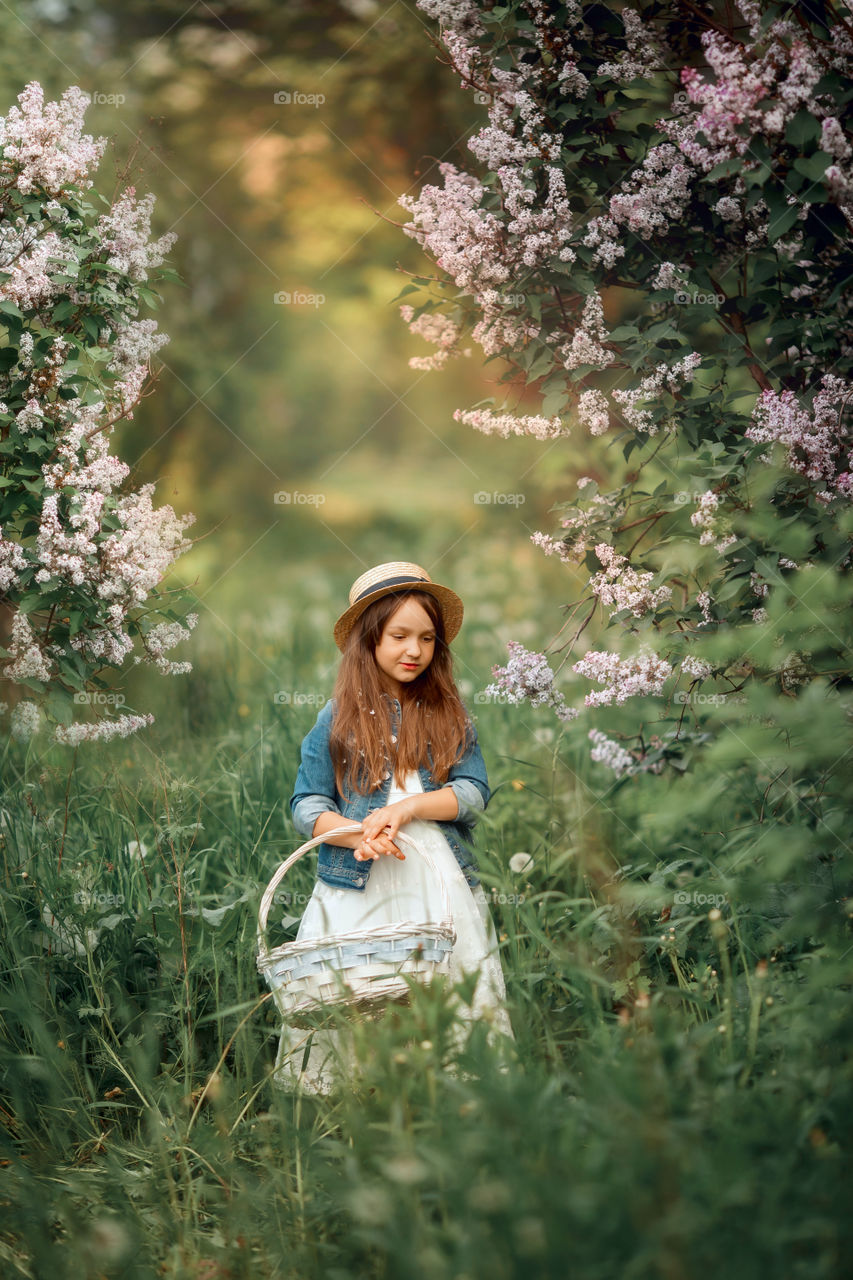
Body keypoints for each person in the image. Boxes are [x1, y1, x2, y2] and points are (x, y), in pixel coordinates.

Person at [272, 560, 516, 1095]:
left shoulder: (449, 712)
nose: (414, 650)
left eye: (427, 638)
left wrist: (407, 809)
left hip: (436, 873)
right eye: (399, 635)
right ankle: (368, 1093)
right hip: (360, 878)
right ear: (369, 640)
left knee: (443, 974)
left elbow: (473, 794)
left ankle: (446, 1086)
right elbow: (307, 804)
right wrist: (357, 832)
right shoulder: (336, 718)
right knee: (364, 987)